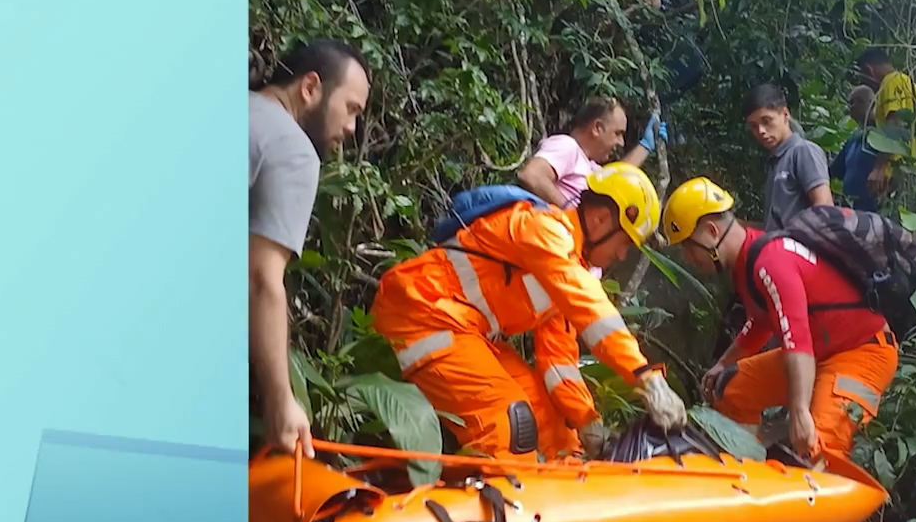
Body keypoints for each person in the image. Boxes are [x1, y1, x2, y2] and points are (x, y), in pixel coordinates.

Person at [661, 177, 900, 522]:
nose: (689, 258)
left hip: (862, 352)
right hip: (819, 354)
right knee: (731, 387)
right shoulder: (748, 264)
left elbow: (795, 337)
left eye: (688, 246)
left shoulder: (770, 260)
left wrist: (799, 410)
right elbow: (760, 324)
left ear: (711, 232)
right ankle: (753, 491)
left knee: (818, 447)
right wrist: (725, 362)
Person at [370, 162, 686, 460]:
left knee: (554, 427)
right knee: (510, 422)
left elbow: (559, 361)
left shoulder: (568, 263)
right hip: (421, 309)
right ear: (601, 219)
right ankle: (495, 508)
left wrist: (587, 421)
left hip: (466, 328)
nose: (621, 254)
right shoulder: (544, 229)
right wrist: (645, 377)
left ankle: (568, 489)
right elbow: (590, 307)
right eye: (625, 243)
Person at [250, 39, 372, 458]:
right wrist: (281, 400)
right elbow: (261, 277)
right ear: (310, 88)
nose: (352, 129)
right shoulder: (292, 148)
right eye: (351, 109)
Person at [517, 96, 660, 210]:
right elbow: (532, 175)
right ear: (597, 128)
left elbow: (618, 178)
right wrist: (573, 213)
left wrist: (645, 146)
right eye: (617, 133)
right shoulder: (567, 146)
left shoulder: (590, 167)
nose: (621, 142)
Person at [742, 83, 832, 230]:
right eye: (753, 126)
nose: (761, 131)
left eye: (766, 121)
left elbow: (825, 210)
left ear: (785, 115)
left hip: (800, 250)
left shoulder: (803, 151)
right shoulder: (775, 162)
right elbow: (773, 229)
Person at [854, 46, 916, 197]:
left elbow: (894, 124)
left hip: (902, 167)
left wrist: (879, 168)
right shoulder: (905, 82)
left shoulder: (891, 81)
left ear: (868, 70)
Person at [829, 84, 879, 213]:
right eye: (850, 102)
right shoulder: (854, 138)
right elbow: (835, 170)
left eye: (859, 101)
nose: (853, 106)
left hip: (876, 208)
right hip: (852, 208)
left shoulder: (882, 135)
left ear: (872, 104)